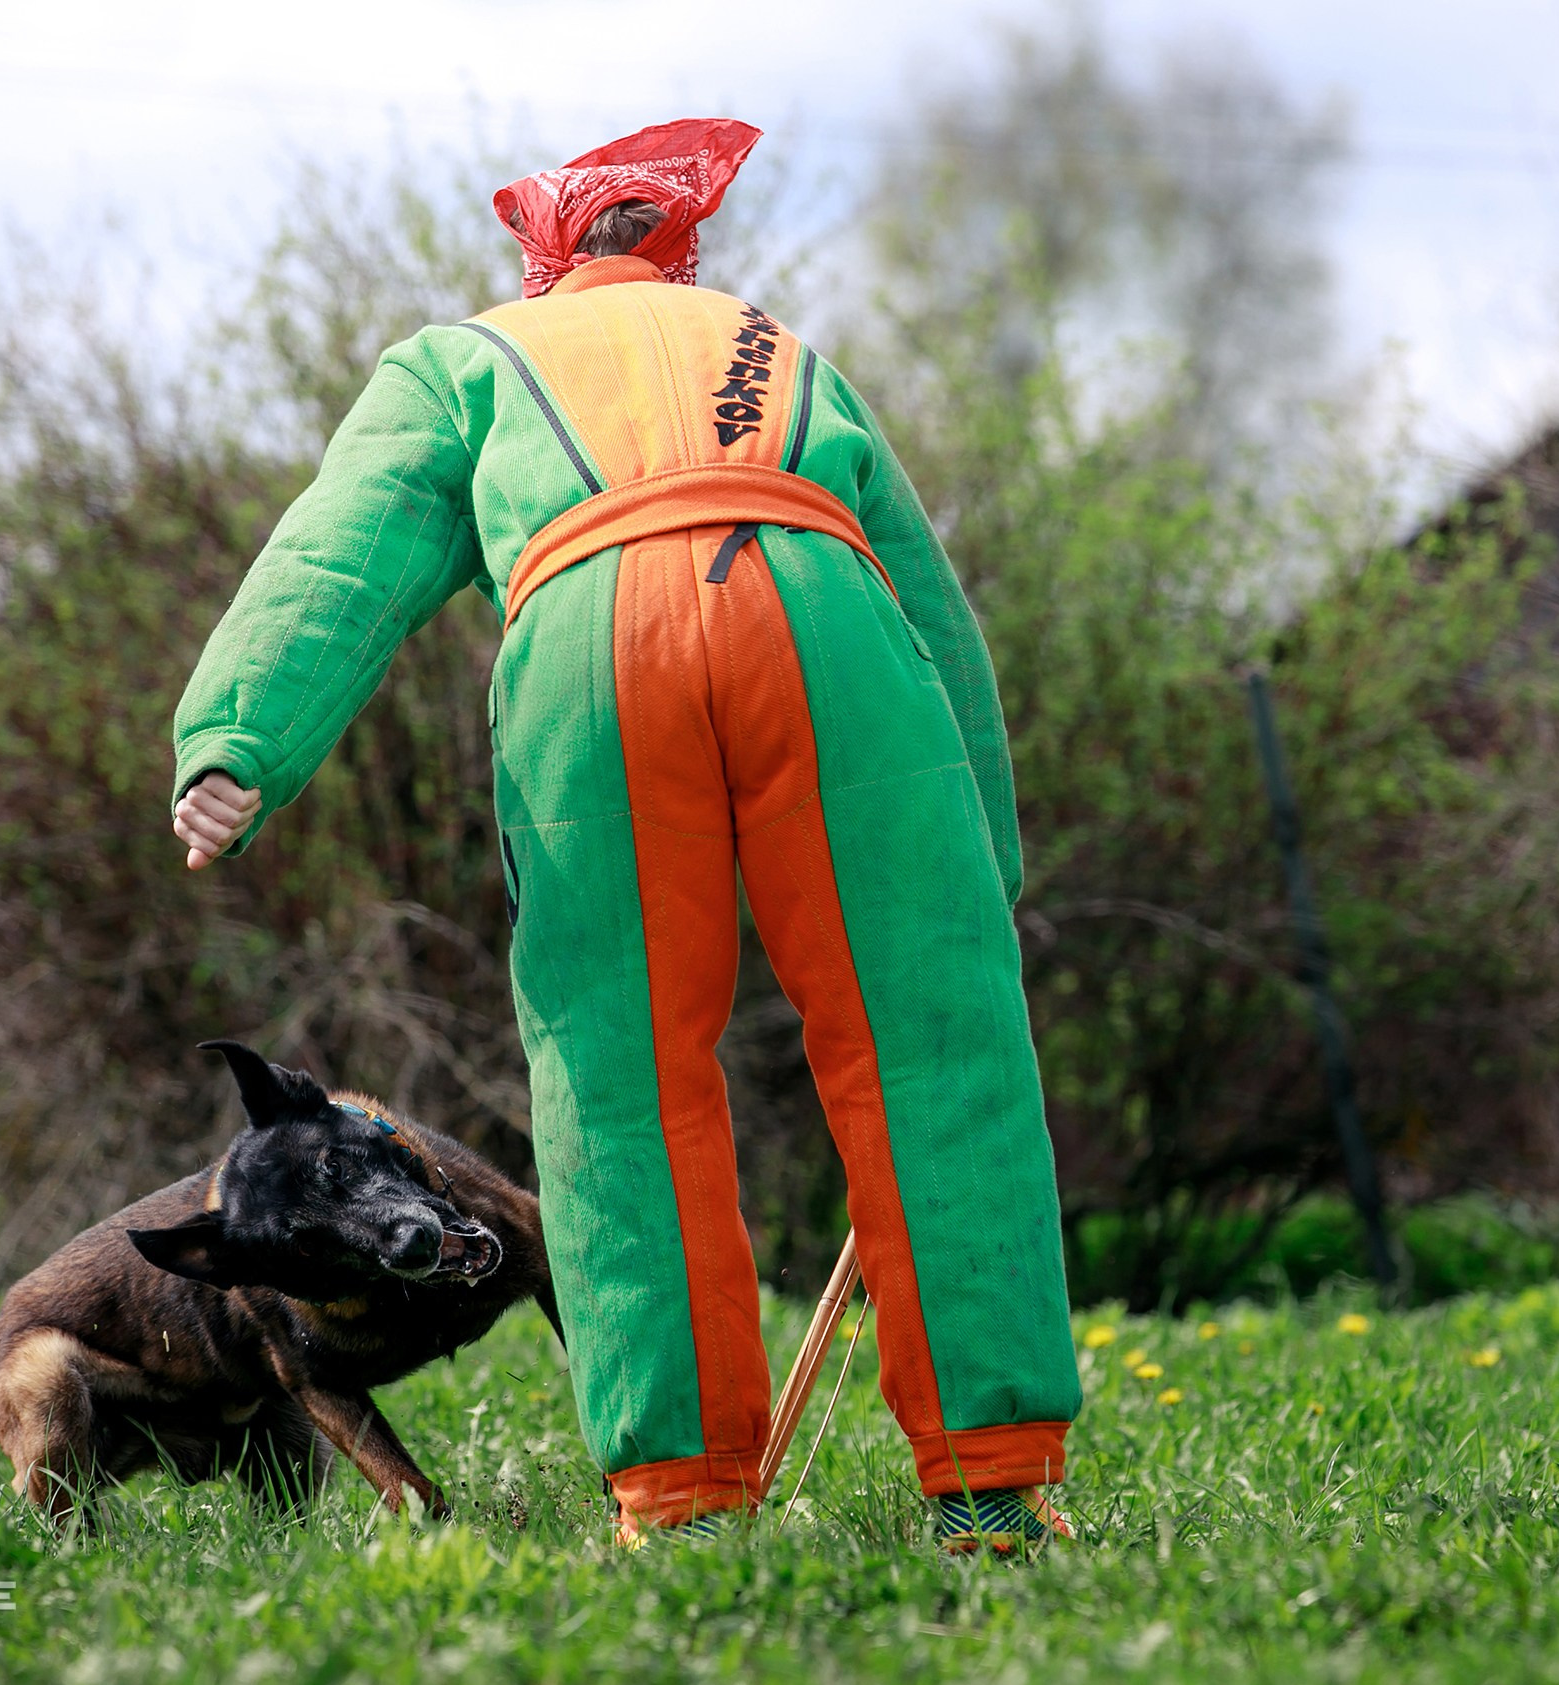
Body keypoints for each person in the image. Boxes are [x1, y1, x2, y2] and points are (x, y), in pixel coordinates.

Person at [169, 118, 1081, 1553]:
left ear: (543, 263)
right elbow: (926, 592)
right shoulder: (778, 347)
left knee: (618, 1067)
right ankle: (995, 1482)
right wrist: (985, 845)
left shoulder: (466, 359)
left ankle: (680, 1492)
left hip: (596, 634)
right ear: (681, 253)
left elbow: (340, 550)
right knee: (936, 1046)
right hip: (827, 619)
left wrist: (236, 737)